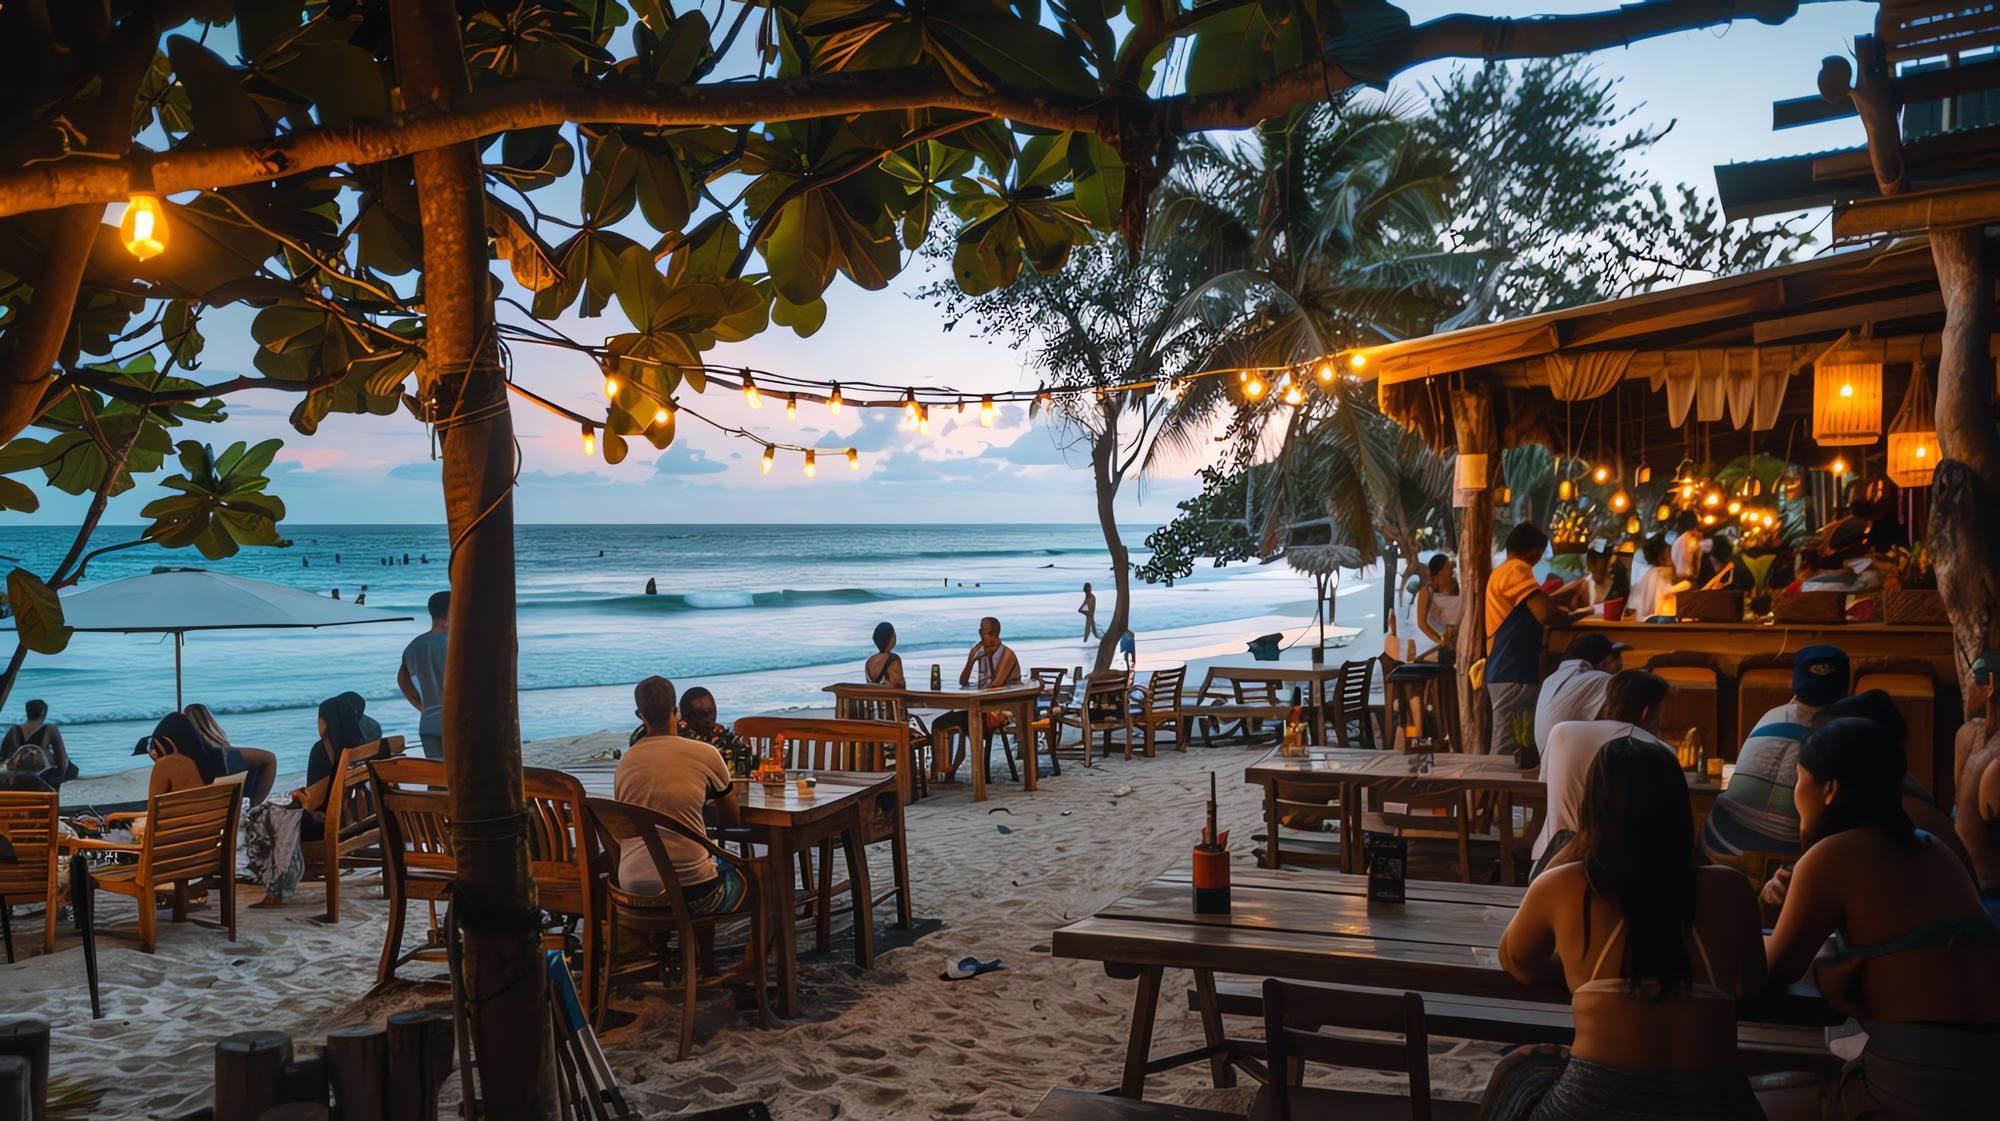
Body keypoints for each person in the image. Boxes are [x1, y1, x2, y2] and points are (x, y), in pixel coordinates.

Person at [1482, 739, 1767, 1120]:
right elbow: (1751, 986)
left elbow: (1516, 960)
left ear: (1592, 808)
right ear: (1679, 809)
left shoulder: (1563, 885)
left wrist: (1573, 970)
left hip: (1596, 1101)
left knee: (1516, 1069)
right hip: (1716, 1101)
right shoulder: (1731, 889)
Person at [1761, 717, 2000, 1117]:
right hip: (1988, 1079)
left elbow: (1773, 968)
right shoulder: (1933, 849)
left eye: (1799, 781)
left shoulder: (1831, 856)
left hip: (1922, 1081)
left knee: (1748, 1100)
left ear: (1829, 789)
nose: (1794, 794)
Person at [613, 676, 750, 917]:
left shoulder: (626, 763)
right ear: (675, 712)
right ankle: (742, 954)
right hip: (694, 892)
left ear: (639, 715)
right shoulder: (706, 753)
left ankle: (665, 943)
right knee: (757, 880)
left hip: (633, 888)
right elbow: (731, 820)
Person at [1702, 645, 1848, 860]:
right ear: (1847, 687)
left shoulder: (1772, 715)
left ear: (1795, 683)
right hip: (1780, 861)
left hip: (1718, 844)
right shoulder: (1844, 733)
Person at [243, 695, 383, 907]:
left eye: (319, 718)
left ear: (325, 721)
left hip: (328, 825)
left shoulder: (323, 750)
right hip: (361, 820)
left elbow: (312, 802)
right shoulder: (364, 745)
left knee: (260, 817)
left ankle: (274, 886)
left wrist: (299, 797)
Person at [1531, 670, 1672, 873]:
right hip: (1613, 871)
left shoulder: (1561, 732)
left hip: (1548, 863)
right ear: (1647, 712)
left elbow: (1549, 791)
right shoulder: (1656, 749)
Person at [1485, 522, 1556, 765]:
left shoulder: (1501, 571)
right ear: (1535, 551)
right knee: (1505, 749)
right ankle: (1491, 798)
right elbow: (1544, 613)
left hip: (1508, 669)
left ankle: (1507, 801)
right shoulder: (1516, 569)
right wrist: (1570, 615)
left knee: (1518, 745)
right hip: (1511, 668)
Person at [930, 617, 1022, 772]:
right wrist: (972, 659)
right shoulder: (980, 653)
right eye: (980, 631)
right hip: (979, 707)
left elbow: (996, 684)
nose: (981, 635)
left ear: (993, 634)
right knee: (940, 723)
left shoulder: (1007, 655)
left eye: (984, 632)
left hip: (999, 710)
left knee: (966, 719)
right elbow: (963, 681)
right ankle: (943, 769)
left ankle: (956, 766)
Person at [1533, 634, 1630, 758]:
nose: (1620, 664)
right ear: (1602, 662)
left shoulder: (1551, 679)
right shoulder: (1600, 680)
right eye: (1614, 657)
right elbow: (1621, 722)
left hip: (1550, 765)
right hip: (1571, 765)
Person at [1956, 651, 2000, 920]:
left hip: (1976, 889)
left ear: (1989, 686)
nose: (1969, 688)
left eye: (1974, 681)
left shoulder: (1968, 736)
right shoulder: (1967, 735)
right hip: (1983, 896)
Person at [184, 703, 279, 805]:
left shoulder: (182, 759)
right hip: (227, 810)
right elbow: (270, 758)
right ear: (210, 723)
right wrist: (254, 805)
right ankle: (253, 809)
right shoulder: (224, 756)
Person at [399, 590, 450, 759]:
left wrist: (423, 708)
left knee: (436, 778)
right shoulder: (460, 643)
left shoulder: (413, 646)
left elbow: (402, 681)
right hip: (460, 723)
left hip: (428, 722)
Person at [677, 686, 753, 777]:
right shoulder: (714, 744)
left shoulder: (674, 735)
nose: (708, 719)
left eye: (709, 712)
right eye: (701, 714)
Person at [2, 699, 71, 783]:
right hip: (39, 775)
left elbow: (4, 754)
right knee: (72, 768)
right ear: (43, 712)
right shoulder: (50, 729)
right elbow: (62, 759)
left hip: (15, 774)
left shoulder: (13, 729)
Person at [1627, 538, 1689, 621]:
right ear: (1661, 556)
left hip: (1661, 619)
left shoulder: (1661, 572)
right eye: (1669, 551)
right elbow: (1666, 591)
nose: (1673, 554)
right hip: (1656, 621)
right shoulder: (1655, 573)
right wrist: (1685, 585)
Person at [1414, 553, 1462, 655]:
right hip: (1432, 649)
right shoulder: (1426, 592)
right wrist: (1441, 641)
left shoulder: (1452, 592)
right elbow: (1421, 624)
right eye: (1448, 569)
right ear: (1439, 573)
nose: (1451, 573)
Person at [865, 621, 905, 687]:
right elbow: (900, 685)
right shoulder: (893, 659)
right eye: (894, 634)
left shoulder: (869, 661)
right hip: (891, 696)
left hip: (873, 696)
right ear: (891, 638)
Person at [1670, 513, 1705, 584]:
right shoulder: (1693, 540)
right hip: (1688, 580)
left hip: (1676, 581)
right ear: (1695, 524)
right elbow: (1697, 560)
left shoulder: (1676, 541)